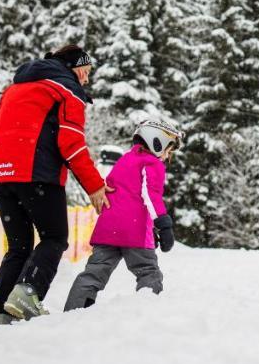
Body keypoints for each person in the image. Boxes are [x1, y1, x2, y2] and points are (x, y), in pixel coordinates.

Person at [0, 44, 111, 322]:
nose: (86, 79)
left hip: (0, 174)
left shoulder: (13, 90)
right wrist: (94, 186)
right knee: (54, 238)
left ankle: (2, 312)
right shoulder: (67, 90)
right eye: (86, 72)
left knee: (19, 246)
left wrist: (8, 161)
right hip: (37, 174)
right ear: (74, 68)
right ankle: (28, 294)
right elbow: (71, 142)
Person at [64, 119, 181, 310]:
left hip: (108, 229)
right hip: (134, 232)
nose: (168, 157)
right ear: (156, 141)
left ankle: (74, 311)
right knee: (148, 272)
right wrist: (163, 224)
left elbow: (125, 197)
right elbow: (150, 195)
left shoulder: (126, 159)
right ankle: (147, 310)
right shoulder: (152, 164)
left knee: (93, 274)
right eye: (168, 150)